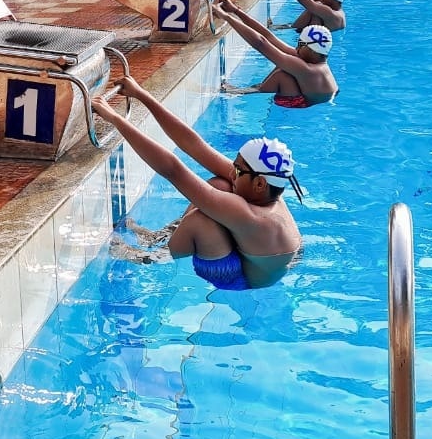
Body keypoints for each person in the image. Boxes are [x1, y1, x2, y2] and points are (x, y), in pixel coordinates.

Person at [92, 76, 303, 291]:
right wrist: (141, 94)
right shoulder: (269, 189)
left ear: (259, 184)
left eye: (238, 170)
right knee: (220, 185)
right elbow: (195, 146)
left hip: (236, 278)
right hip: (255, 258)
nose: (233, 172)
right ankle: (160, 237)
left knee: (200, 220)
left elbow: (172, 170)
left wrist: (116, 119)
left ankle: (151, 256)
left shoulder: (252, 216)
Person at [215, 0, 337, 105]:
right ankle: (254, 89)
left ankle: (247, 91)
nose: (297, 48)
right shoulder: (314, 61)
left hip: (302, 106)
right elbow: (269, 37)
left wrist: (226, 17)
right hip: (313, 100)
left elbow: (261, 43)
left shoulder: (307, 70)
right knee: (285, 63)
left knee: (283, 75)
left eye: (300, 44)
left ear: (311, 49)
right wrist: (236, 11)